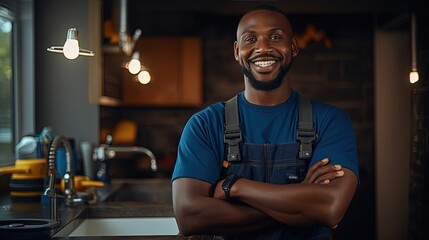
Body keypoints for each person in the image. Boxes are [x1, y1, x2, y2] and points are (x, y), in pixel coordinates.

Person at [172, 5, 359, 240]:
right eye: (251, 39)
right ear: (237, 51)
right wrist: (302, 198)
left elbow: (330, 209)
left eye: (275, 37)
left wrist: (234, 187)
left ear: (293, 47)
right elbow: (190, 216)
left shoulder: (330, 121)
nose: (263, 47)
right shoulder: (205, 124)